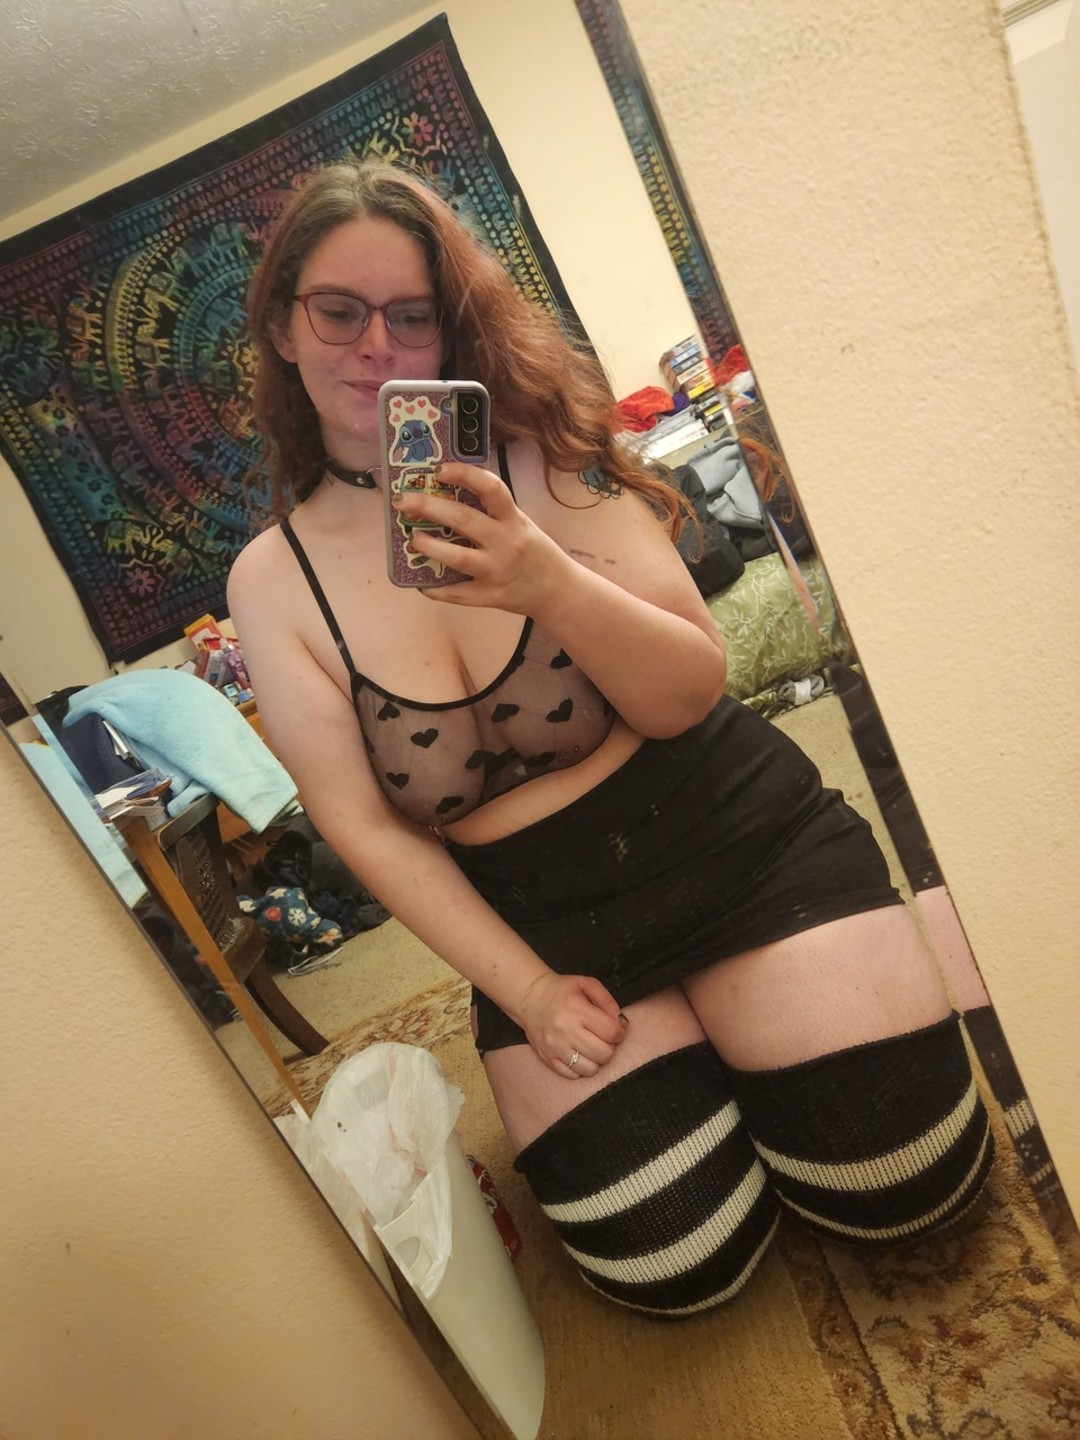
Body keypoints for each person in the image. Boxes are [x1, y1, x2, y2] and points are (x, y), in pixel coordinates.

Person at [228, 159, 993, 1317]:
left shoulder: (539, 454)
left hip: (735, 841)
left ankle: (840, 979)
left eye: (412, 314)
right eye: (339, 311)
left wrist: (546, 579)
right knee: (676, 1266)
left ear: (450, 328)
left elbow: (691, 690)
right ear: (285, 327)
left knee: (910, 1182)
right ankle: (771, 1032)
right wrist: (531, 993)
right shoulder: (270, 584)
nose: (377, 346)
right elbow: (366, 832)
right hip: (541, 929)